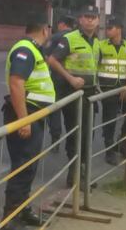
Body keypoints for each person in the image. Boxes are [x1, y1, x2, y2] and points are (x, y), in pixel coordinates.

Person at [2, 22, 56, 229]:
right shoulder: (25, 49)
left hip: (34, 115)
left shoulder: (33, 49)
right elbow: (16, 83)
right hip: (27, 115)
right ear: (44, 29)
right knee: (23, 166)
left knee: (29, 166)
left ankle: (22, 209)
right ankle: (10, 218)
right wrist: (24, 120)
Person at [47, 5, 100, 187]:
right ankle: (75, 175)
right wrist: (70, 78)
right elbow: (52, 60)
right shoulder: (70, 39)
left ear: (98, 20)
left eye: (93, 17)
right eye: (86, 16)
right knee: (77, 133)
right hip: (73, 93)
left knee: (87, 134)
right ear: (80, 20)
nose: (90, 20)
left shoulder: (96, 42)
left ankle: (80, 172)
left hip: (90, 94)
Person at [96, 16, 126, 165]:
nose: (107, 30)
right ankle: (109, 150)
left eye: (110, 28)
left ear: (119, 29)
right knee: (109, 121)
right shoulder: (101, 46)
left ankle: (122, 142)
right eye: (106, 28)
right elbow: (95, 66)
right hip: (109, 89)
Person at [44, 14, 75, 150]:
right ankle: (73, 139)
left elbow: (46, 56)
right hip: (74, 78)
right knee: (72, 110)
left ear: (62, 24)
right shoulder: (77, 37)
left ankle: (55, 139)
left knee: (55, 108)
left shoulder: (55, 37)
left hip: (56, 78)